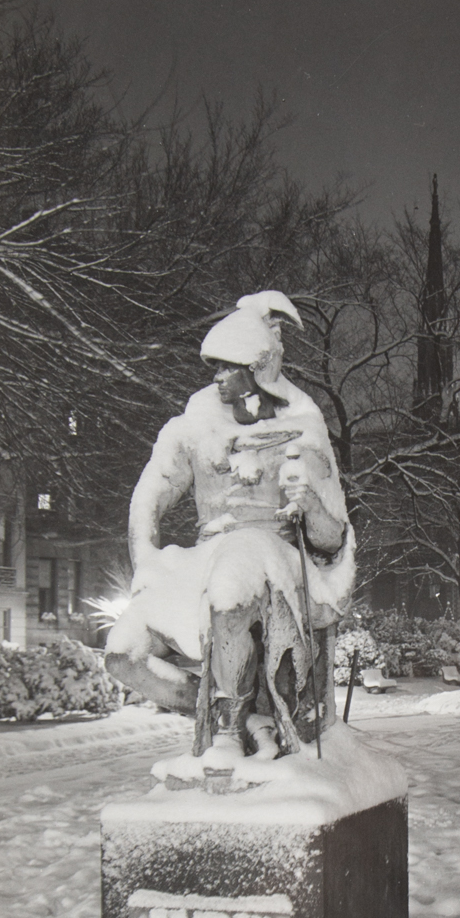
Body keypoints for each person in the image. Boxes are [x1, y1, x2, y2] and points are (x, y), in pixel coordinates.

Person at [104, 291, 355, 765]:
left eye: (227, 366)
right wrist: (147, 562)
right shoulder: (194, 425)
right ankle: (225, 709)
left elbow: (331, 539)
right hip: (203, 556)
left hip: (273, 557)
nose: (217, 377)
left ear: (257, 368)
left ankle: (227, 733)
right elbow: (147, 499)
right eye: (214, 368)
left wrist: (311, 504)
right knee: (123, 655)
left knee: (230, 586)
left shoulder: (302, 427)